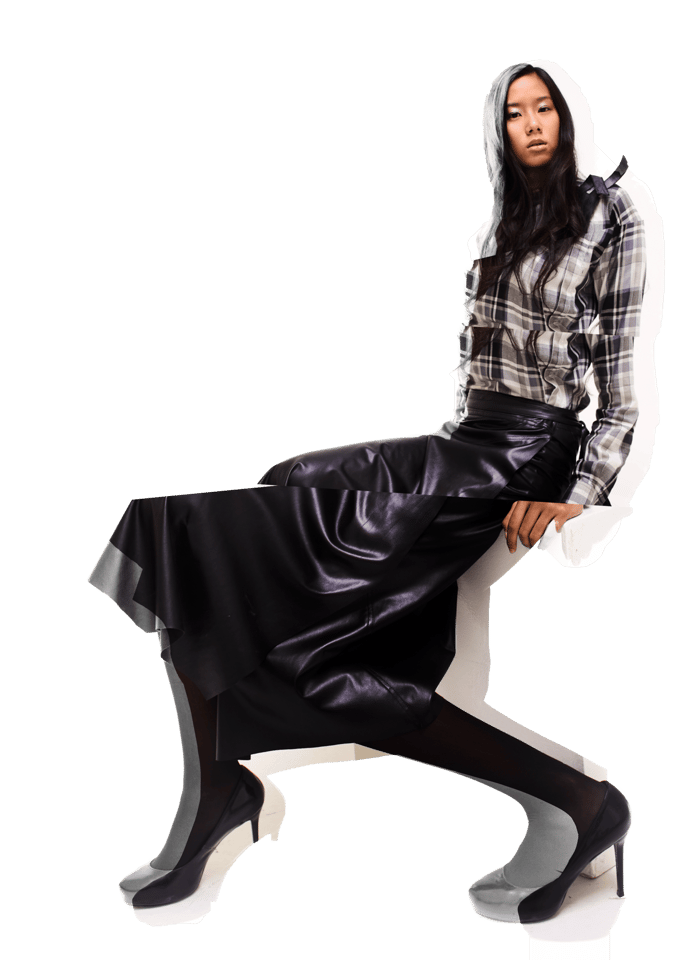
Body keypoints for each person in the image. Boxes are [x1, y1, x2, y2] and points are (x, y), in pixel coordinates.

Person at [88, 60, 648, 924]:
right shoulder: (505, 219)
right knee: (273, 495)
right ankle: (221, 786)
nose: (532, 124)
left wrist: (582, 491)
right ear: (500, 130)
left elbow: (621, 384)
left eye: (545, 109)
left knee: (268, 592)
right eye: (515, 113)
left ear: (569, 118)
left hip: (528, 452)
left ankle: (578, 803)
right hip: (469, 437)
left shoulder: (613, 213)